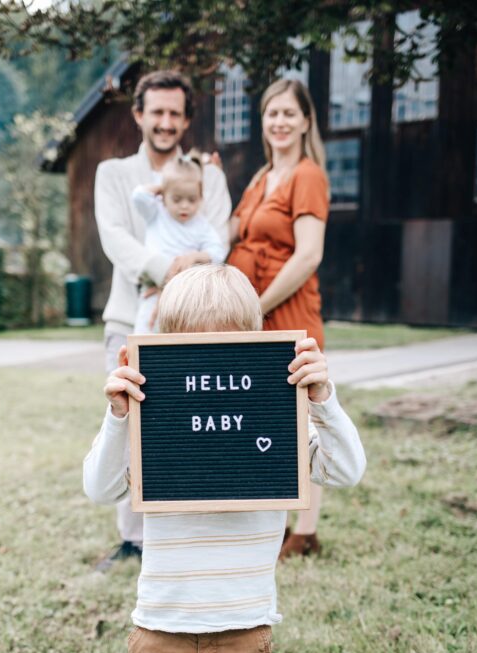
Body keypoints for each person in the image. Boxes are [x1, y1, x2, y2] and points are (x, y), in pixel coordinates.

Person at [83, 263, 366, 653]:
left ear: (255, 343)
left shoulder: (282, 417)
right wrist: (117, 417)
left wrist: (324, 400)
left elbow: (348, 469)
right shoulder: (149, 418)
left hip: (245, 634)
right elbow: (99, 488)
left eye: (226, 346)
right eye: (190, 349)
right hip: (162, 632)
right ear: (165, 348)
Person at [94, 69, 232, 560]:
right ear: (138, 114)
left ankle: (187, 535)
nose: (166, 121)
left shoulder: (208, 176)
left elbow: (219, 239)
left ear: (187, 119)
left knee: (188, 425)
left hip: (195, 321)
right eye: (157, 111)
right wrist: (167, 266)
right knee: (132, 423)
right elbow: (115, 238)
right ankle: (133, 541)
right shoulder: (114, 175)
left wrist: (186, 273)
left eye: (175, 113)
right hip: (130, 316)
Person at [228, 78, 330, 560]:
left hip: (285, 309)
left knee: (301, 415)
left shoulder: (307, 175)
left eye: (290, 113)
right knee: (266, 414)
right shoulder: (258, 178)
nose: (280, 122)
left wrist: (260, 304)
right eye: (272, 113)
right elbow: (227, 232)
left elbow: (308, 255)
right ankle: (277, 520)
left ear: (306, 120)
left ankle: (306, 532)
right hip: (254, 312)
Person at [132, 152, 226, 333]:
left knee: (179, 333)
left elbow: (217, 252)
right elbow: (138, 196)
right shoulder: (156, 213)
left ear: (200, 197)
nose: (184, 206)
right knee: (147, 328)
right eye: (176, 199)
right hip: (154, 285)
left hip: (185, 291)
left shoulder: (200, 224)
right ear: (163, 197)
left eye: (192, 199)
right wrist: (164, 187)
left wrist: (195, 256)